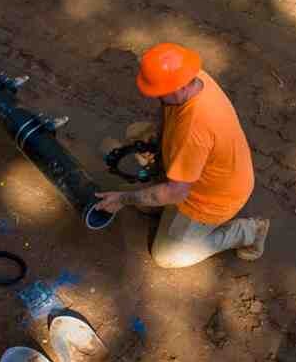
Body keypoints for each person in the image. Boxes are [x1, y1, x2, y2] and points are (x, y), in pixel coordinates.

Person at [94, 43, 270, 268]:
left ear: (177, 88)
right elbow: (167, 109)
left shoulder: (194, 130)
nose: (154, 96)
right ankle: (157, 200)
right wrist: (159, 143)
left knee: (167, 256)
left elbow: (176, 193)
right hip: (206, 172)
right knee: (138, 134)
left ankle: (247, 232)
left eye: (158, 92)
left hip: (210, 200)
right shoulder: (193, 77)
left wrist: (122, 199)